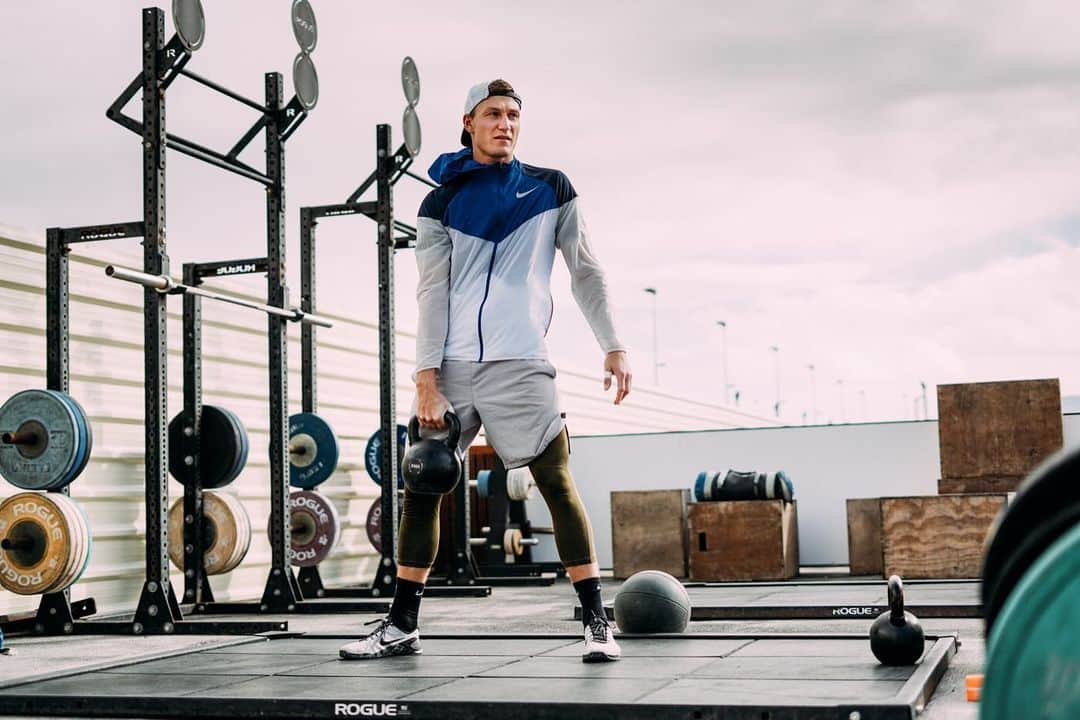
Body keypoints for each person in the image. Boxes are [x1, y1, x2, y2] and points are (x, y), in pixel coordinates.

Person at [340, 79, 631, 663]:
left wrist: (613, 344)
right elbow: (432, 291)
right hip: (450, 366)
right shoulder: (440, 202)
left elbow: (585, 271)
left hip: (520, 362)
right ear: (468, 123)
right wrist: (426, 377)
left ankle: (597, 621)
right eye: (493, 114)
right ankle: (401, 625)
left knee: (556, 483)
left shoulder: (551, 188)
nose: (506, 124)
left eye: (514, 116)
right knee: (421, 486)